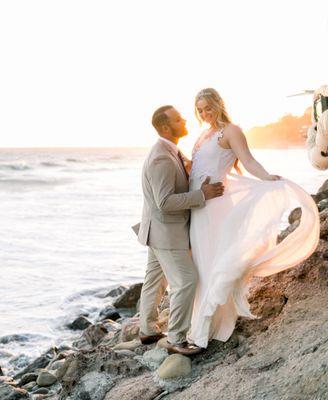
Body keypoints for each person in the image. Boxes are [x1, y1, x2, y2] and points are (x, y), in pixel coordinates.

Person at [187, 88, 320, 348]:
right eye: (200, 110)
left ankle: (206, 328)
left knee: (216, 261)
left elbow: (248, 161)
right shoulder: (203, 135)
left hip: (215, 206)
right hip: (198, 205)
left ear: (218, 104)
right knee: (202, 264)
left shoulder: (232, 131)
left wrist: (267, 178)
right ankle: (199, 321)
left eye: (208, 107)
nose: (204, 113)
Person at [135, 105, 224, 355]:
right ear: (165, 127)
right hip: (166, 232)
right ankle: (176, 339)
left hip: (156, 229)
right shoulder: (161, 157)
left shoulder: (168, 151)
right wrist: (200, 195)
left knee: (155, 279)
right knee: (186, 281)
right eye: (177, 119)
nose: (184, 119)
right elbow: (164, 203)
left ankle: (148, 330)